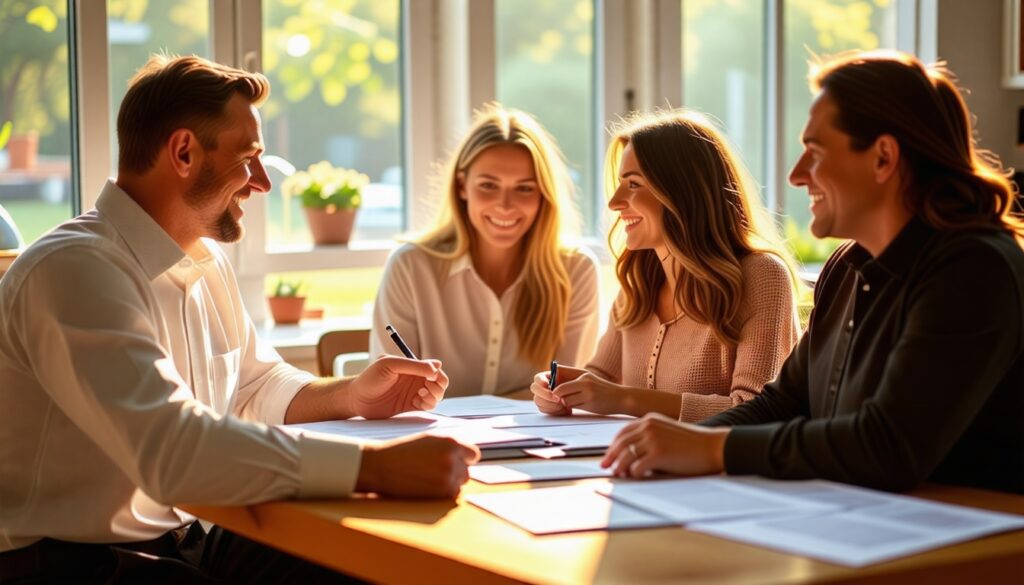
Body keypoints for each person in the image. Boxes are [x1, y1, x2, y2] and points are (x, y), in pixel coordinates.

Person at [0, 55, 479, 584]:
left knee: (378, 567)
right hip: (72, 567)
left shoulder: (205, 262)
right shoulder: (74, 270)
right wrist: (375, 467)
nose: (261, 183)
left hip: (185, 544)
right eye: (248, 157)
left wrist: (349, 396)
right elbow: (170, 448)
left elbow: (254, 385)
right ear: (183, 152)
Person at [602, 50, 1024, 494]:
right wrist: (685, 440)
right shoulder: (846, 267)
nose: (796, 175)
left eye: (814, 152)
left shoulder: (974, 269)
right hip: (867, 520)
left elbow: (886, 447)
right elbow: (783, 402)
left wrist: (713, 450)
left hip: (972, 540)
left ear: (883, 158)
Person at [531, 110, 800, 422]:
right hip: (637, 463)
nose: (615, 202)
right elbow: (600, 377)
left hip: (716, 469)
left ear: (682, 192)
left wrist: (625, 399)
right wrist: (561, 390)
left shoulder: (762, 276)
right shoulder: (638, 283)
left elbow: (756, 411)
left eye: (633, 184)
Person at [369, 104, 600, 396]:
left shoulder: (576, 270)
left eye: (525, 188)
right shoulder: (410, 266)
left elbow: (566, 395)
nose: (505, 205)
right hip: (434, 439)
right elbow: (393, 394)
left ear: (543, 195)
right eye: (489, 185)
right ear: (462, 186)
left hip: (535, 440)